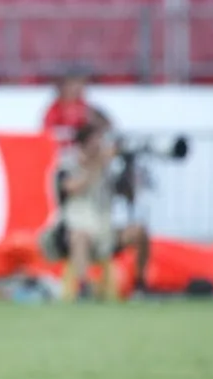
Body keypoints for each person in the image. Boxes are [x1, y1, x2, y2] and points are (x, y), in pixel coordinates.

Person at [41, 123, 150, 300]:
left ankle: (141, 284)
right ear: (83, 143)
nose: (100, 145)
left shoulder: (108, 168)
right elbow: (72, 187)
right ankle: (84, 287)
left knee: (139, 232)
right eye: (96, 141)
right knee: (80, 236)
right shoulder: (67, 165)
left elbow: (126, 194)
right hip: (74, 231)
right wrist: (97, 164)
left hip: (105, 229)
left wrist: (129, 169)